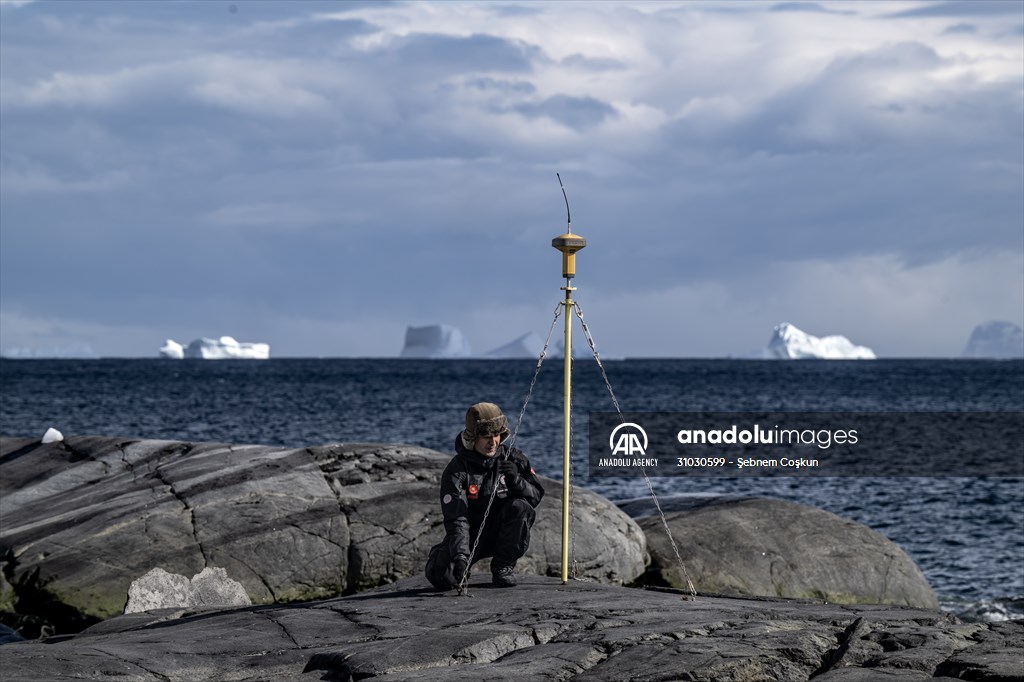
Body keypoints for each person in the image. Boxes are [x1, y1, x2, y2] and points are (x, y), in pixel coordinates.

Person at [425, 402, 544, 589]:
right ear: (473, 437)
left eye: (496, 435)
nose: (493, 442)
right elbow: (457, 518)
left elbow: (536, 496)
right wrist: (461, 556)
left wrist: (516, 481)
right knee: (441, 577)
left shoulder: (513, 458)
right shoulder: (457, 469)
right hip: (471, 534)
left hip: (502, 529)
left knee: (520, 507)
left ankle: (502, 567)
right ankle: (450, 560)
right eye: (486, 436)